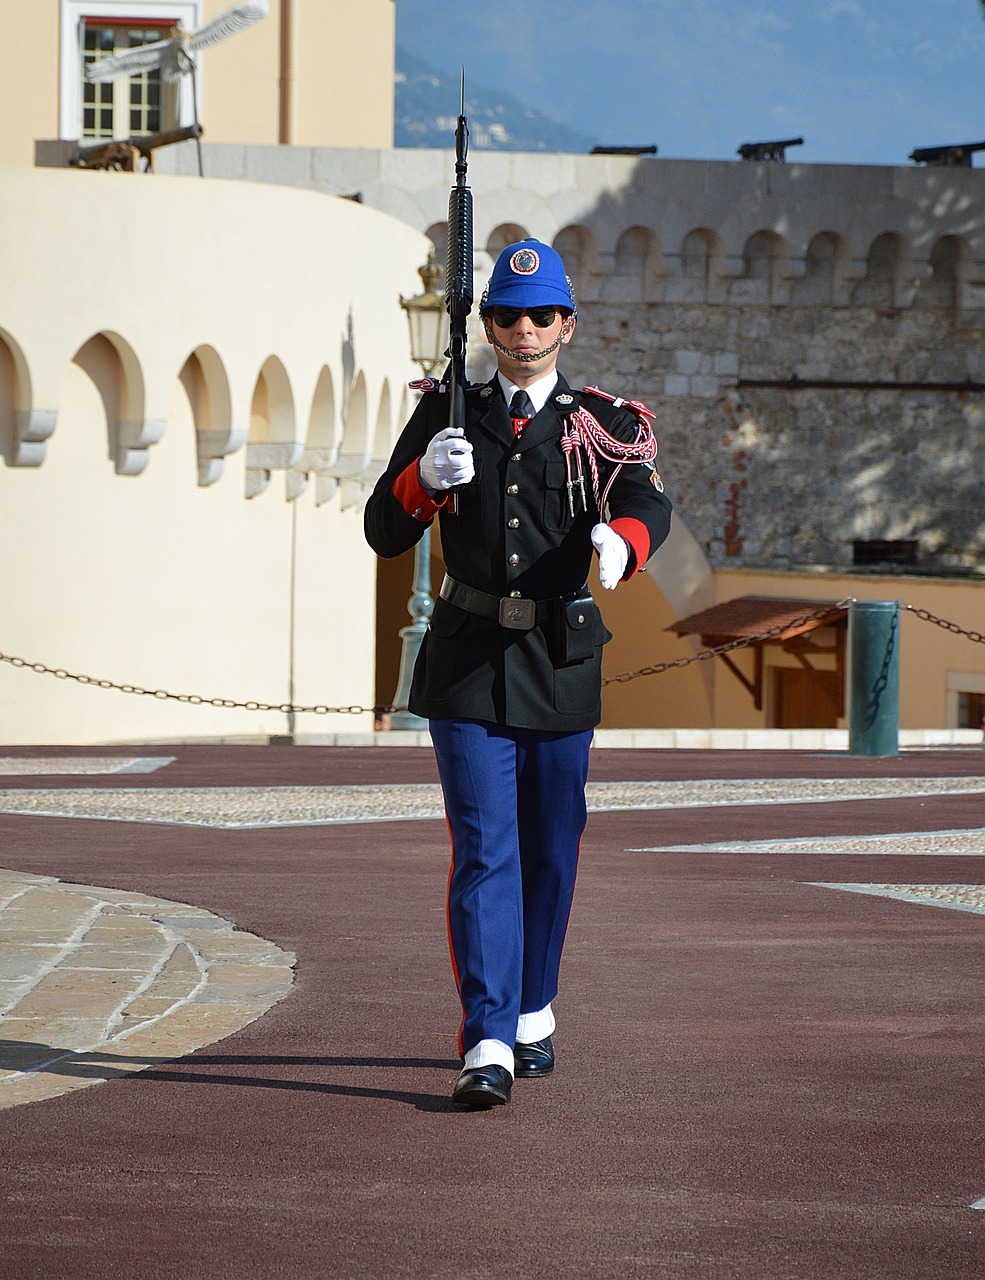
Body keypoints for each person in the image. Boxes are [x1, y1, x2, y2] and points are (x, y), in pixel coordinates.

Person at [364, 238, 672, 1108]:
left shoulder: (604, 422)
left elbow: (647, 498)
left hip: (557, 659)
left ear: (566, 326)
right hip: (465, 659)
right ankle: (487, 1038)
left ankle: (534, 1006)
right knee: (484, 852)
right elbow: (383, 530)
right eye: (505, 315)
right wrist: (422, 481)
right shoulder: (447, 411)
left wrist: (624, 538)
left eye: (541, 315)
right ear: (486, 323)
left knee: (550, 851)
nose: (523, 330)